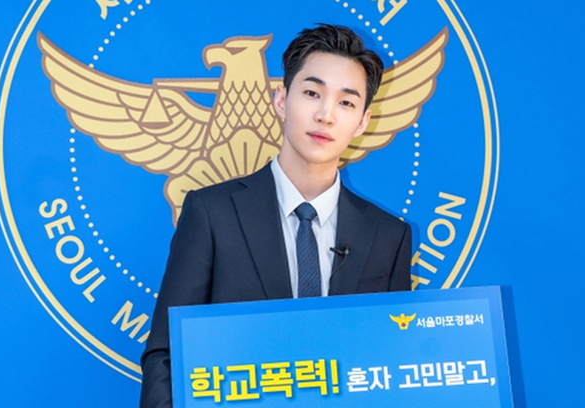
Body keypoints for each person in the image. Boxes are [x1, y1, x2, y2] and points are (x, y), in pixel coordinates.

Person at [139, 23, 412, 408]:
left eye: (346, 103)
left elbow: (394, 362)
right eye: (312, 93)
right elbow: (166, 355)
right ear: (282, 100)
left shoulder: (388, 236)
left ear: (363, 121)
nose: (326, 115)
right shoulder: (213, 213)